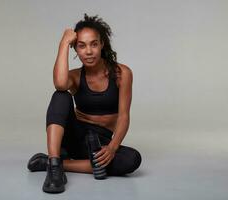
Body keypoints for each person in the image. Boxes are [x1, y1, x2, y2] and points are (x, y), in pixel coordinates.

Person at [27, 14, 142, 193]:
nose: (88, 51)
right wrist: (63, 43)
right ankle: (55, 166)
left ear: (102, 44)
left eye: (93, 44)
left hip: (100, 142)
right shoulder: (74, 77)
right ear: (76, 49)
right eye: (81, 45)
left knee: (132, 159)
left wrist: (112, 148)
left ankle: (53, 162)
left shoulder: (122, 73)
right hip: (74, 136)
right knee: (61, 95)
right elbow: (59, 83)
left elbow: (124, 116)